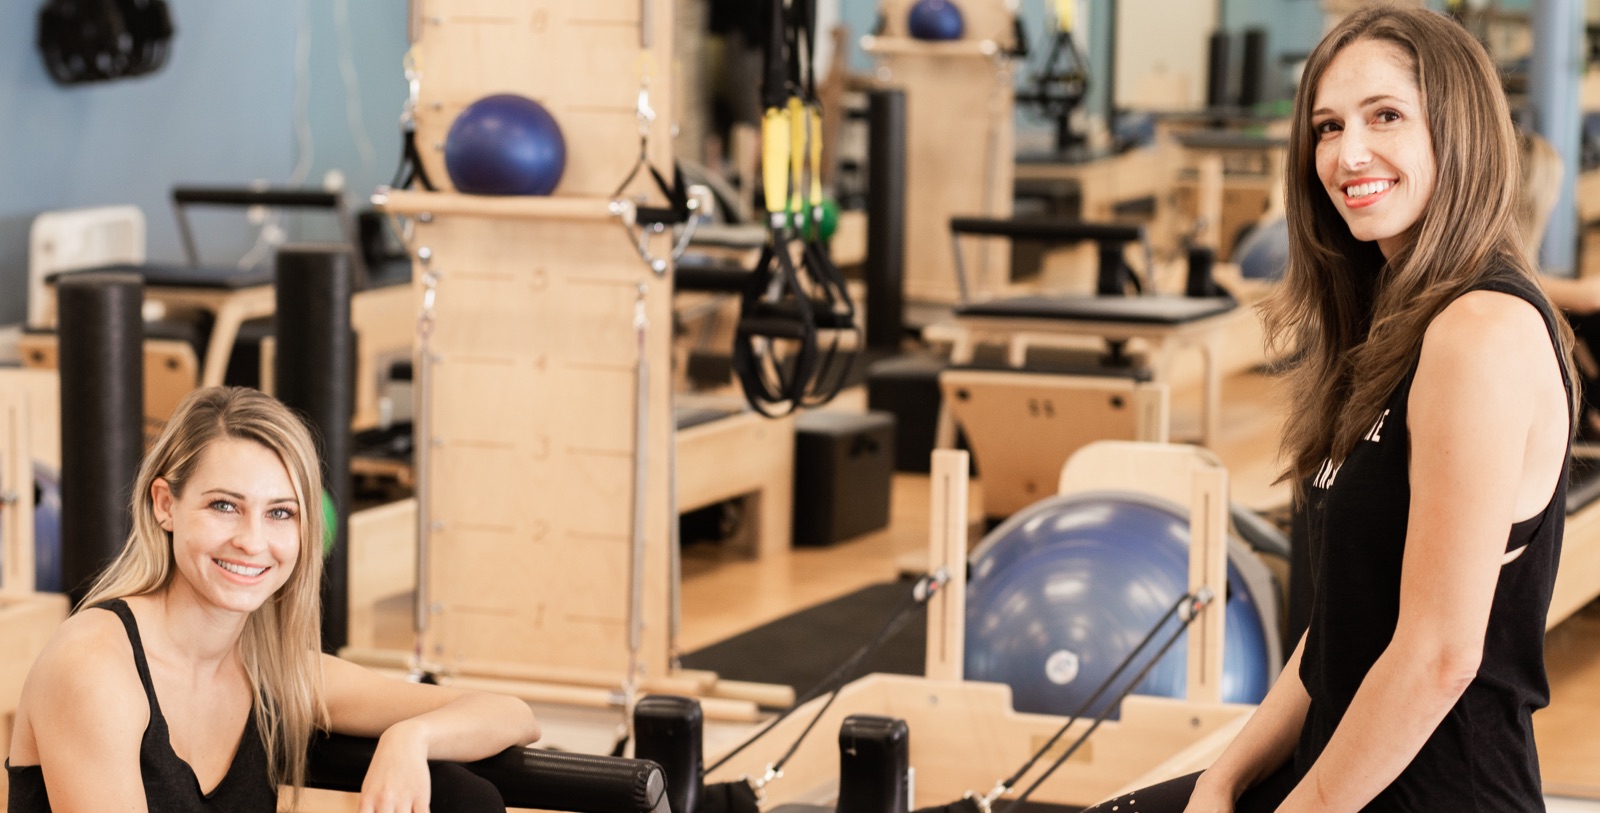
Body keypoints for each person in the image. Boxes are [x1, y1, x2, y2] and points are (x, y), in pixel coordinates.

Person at [1087, 6, 1575, 811]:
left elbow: (1438, 656)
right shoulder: (1394, 321)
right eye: (1326, 126)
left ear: (1459, 131)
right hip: (1340, 774)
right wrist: (1224, 777)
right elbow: (1343, 620)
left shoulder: (1479, 331)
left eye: (1385, 116)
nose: (1348, 154)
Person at [6, 386, 541, 811]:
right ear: (165, 504)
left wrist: (412, 738)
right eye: (224, 505)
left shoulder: (271, 671)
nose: (253, 541)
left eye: (280, 513)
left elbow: (512, 714)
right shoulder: (95, 666)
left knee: (459, 795)